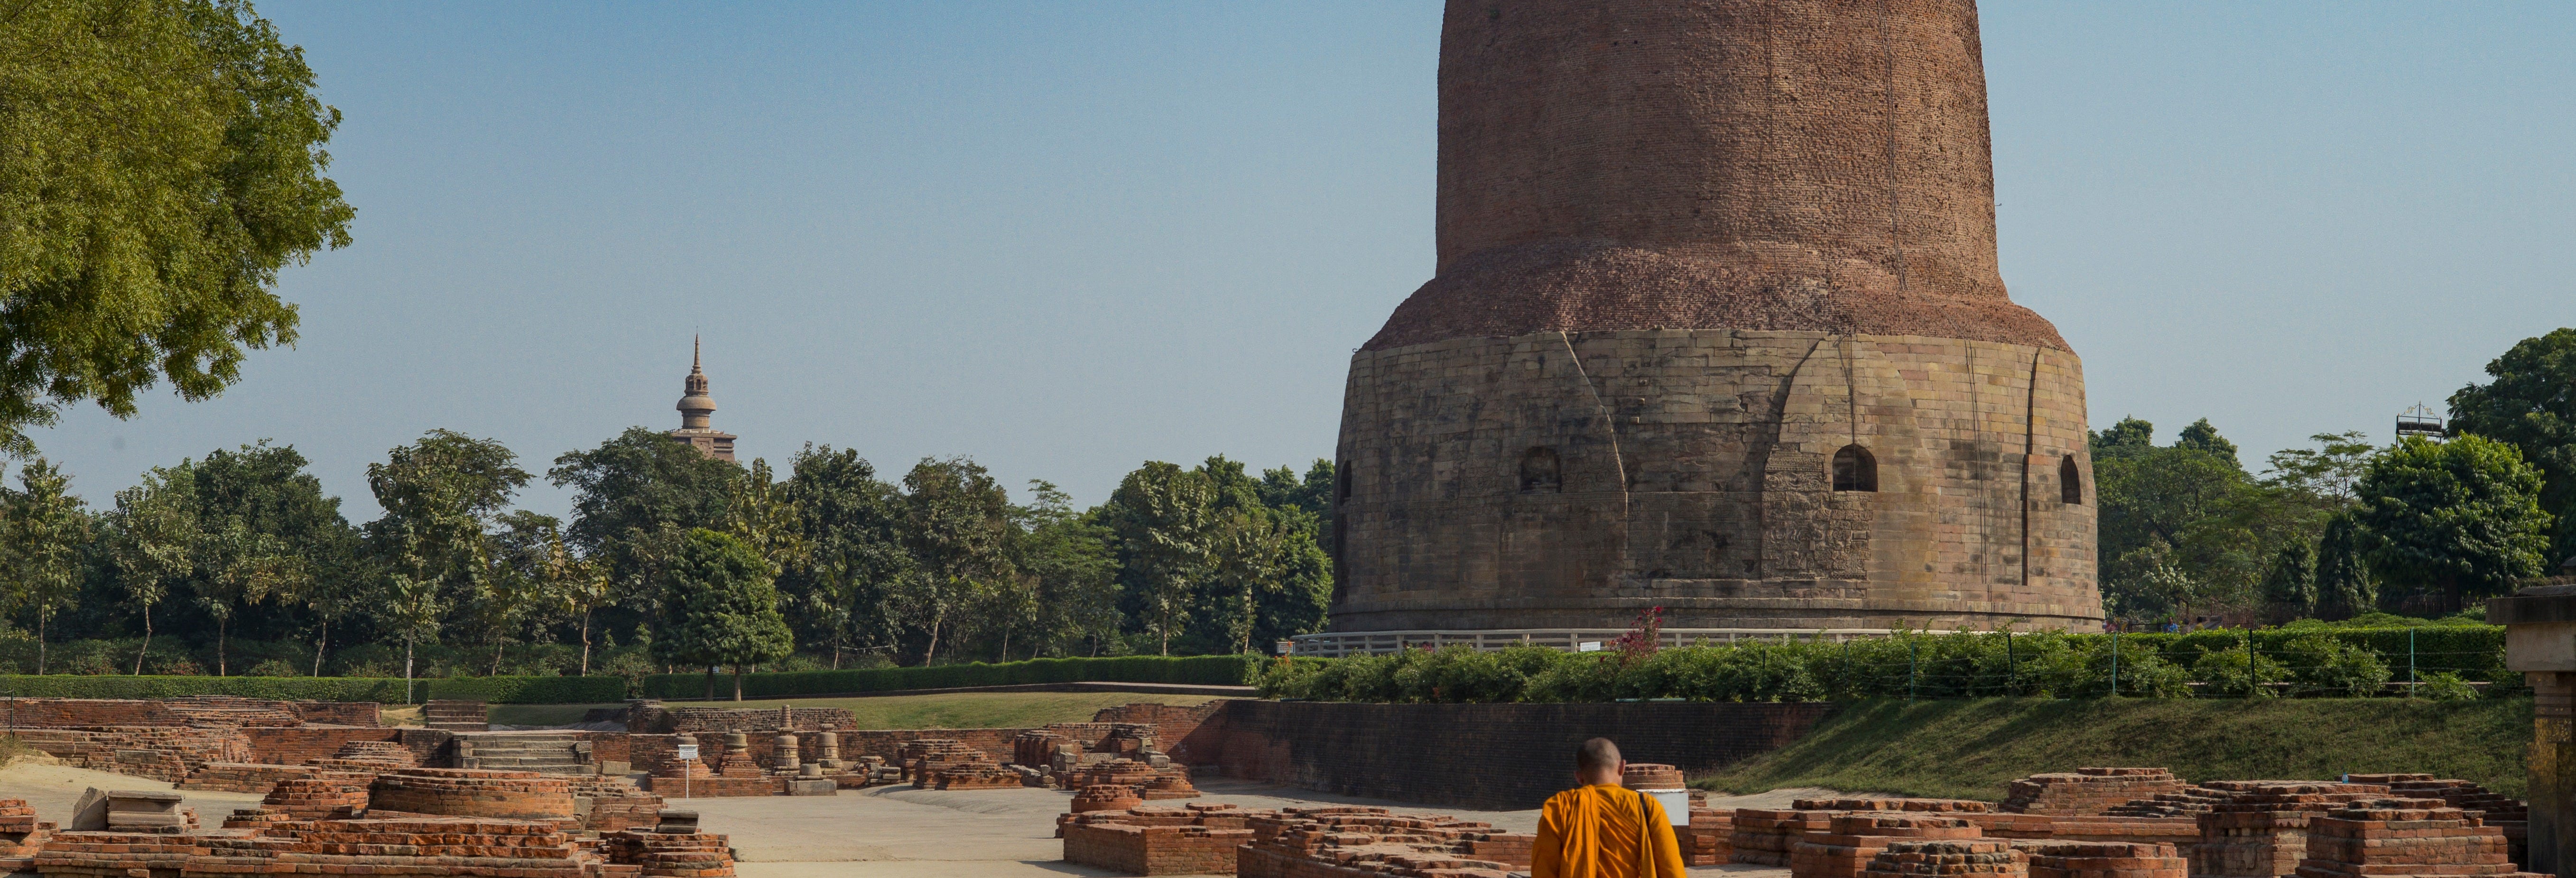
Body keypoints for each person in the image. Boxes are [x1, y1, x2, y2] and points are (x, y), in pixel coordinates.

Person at [1530, 738, 1685, 878]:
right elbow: (1672, 871)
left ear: (1579, 777)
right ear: (1622, 768)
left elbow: (1542, 872)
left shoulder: (1560, 808)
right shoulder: (1647, 807)